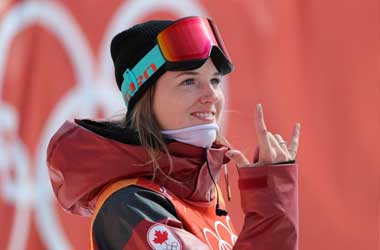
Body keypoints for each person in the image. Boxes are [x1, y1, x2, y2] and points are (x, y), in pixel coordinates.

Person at [46, 16, 301, 250]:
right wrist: (271, 209)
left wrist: (273, 201)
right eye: (188, 81)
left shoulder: (203, 193)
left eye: (214, 81)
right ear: (146, 98)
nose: (211, 95)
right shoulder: (129, 206)